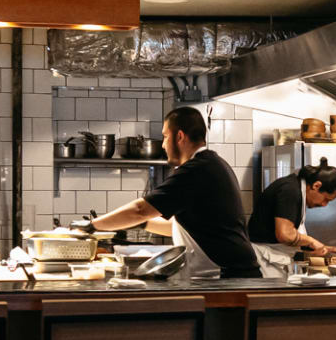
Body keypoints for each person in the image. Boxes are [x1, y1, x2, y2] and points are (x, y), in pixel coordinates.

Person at [85, 105, 260, 278]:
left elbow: (140, 210)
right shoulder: (210, 164)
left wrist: (91, 227)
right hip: (231, 275)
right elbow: (177, 228)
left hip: (231, 277)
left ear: (180, 136)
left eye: (165, 137)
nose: (163, 145)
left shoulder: (196, 170)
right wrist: (139, 223)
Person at [248, 157, 336, 264]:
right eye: (326, 199)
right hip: (264, 258)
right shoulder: (290, 190)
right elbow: (285, 234)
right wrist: (311, 241)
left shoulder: (296, 188)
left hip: (272, 256)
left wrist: (321, 249)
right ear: (316, 186)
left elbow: (290, 237)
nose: (324, 205)